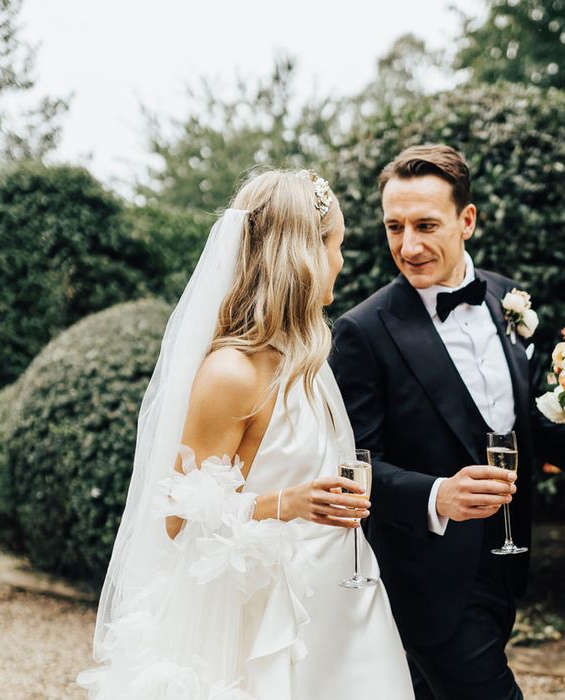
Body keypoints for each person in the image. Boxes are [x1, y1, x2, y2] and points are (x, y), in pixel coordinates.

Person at [78, 170, 415, 700]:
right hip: (270, 619)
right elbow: (178, 518)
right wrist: (287, 503)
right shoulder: (231, 373)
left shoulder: (305, 360)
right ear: (304, 253)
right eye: (337, 245)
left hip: (343, 599)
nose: (342, 261)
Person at [329, 144, 565, 700]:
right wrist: (437, 496)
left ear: (467, 220)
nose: (409, 246)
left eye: (426, 225)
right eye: (394, 227)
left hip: (506, 556)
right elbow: (354, 464)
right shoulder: (362, 331)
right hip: (424, 576)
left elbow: (525, 422)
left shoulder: (505, 297)